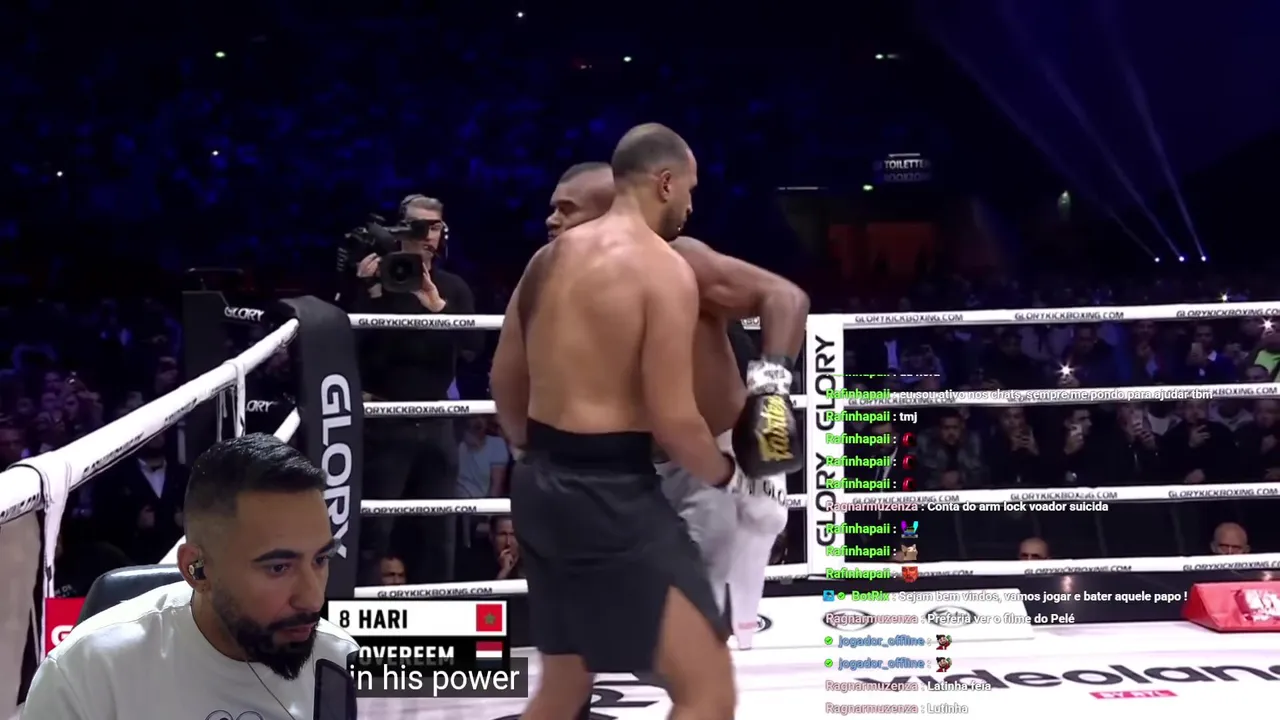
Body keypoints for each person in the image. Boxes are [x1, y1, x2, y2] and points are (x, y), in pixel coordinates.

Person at [492, 123, 794, 719]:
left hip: (539, 484)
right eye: (690, 189)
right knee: (708, 692)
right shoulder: (662, 268)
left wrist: (532, 455)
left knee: (563, 690)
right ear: (665, 182)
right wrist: (735, 477)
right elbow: (673, 418)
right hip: (610, 492)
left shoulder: (546, 260)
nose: (691, 205)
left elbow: (504, 380)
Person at [545, 159, 809, 651]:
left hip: (714, 447)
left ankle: (728, 636)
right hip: (640, 460)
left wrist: (772, 389)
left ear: (607, 212)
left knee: (746, 536)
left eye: (566, 209)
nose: (552, 221)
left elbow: (784, 297)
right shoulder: (556, 283)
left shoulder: (680, 260)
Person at [24, 434, 357, 719]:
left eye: (320, 559)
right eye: (279, 567)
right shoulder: (84, 674)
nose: (313, 599)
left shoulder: (348, 662)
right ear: (198, 569)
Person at [351, 193, 480, 586]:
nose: (427, 235)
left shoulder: (452, 288)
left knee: (438, 533)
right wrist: (366, 292)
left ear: (443, 233)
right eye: (418, 226)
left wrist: (437, 306)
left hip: (437, 420)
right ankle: (363, 615)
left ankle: (436, 616)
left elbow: (473, 349)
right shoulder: (374, 282)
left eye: (434, 227)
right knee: (374, 529)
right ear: (399, 229)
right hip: (384, 421)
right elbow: (352, 350)